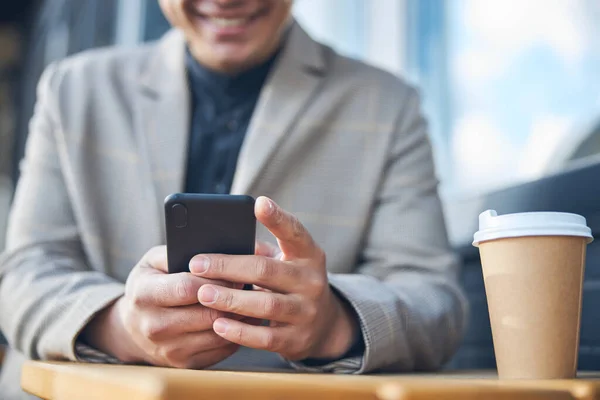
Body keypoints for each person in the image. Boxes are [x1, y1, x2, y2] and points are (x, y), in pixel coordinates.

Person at [0, 0, 467, 398]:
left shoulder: (387, 104)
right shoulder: (72, 90)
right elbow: (22, 277)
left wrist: (332, 325)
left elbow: (436, 303)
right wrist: (120, 327)